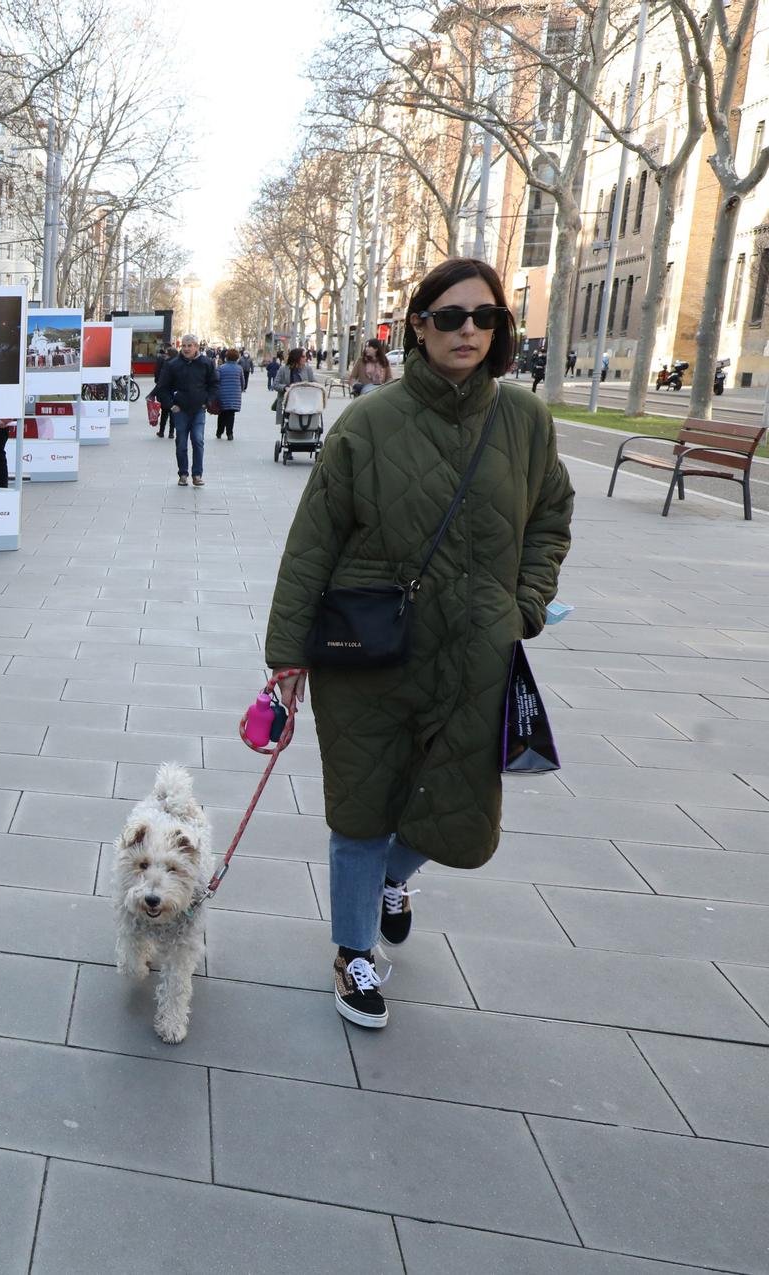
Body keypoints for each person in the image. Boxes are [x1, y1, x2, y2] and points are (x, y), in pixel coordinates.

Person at [263, 258, 574, 1032]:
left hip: (476, 653)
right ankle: (352, 952)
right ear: (418, 327)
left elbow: (550, 519)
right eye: (449, 316)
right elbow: (312, 542)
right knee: (363, 807)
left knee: (458, 807)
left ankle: (389, 882)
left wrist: (525, 605)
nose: (467, 329)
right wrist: (287, 655)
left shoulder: (525, 422)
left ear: (501, 330)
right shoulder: (368, 423)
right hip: (370, 652)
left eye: (484, 317)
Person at [155, 333, 218, 486]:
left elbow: (214, 384)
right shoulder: (173, 364)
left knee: (197, 440)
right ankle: (183, 474)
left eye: (190, 346)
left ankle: (197, 474)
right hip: (180, 410)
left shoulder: (206, 363)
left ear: (196, 347)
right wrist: (171, 405)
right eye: (184, 345)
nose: (186, 348)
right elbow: (162, 388)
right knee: (181, 443)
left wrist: (207, 402)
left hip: (198, 410)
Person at [213, 347, 244, 440]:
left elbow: (216, 380)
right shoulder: (239, 368)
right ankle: (229, 433)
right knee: (231, 414)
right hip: (235, 395)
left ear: (226, 357)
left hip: (223, 394)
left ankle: (219, 432)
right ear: (237, 358)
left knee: (222, 413)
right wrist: (240, 390)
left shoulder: (221, 368)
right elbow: (242, 382)